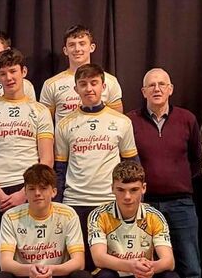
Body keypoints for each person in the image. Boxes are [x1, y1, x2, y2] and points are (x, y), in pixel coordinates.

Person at [126, 68, 202, 278]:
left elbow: (197, 161)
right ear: (143, 90)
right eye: (151, 85)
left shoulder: (187, 119)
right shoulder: (131, 121)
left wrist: (177, 181)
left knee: (191, 270)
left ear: (171, 89)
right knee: (146, 270)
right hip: (143, 207)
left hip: (182, 203)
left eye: (162, 84)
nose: (157, 89)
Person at [0, 48, 54, 271]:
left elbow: (46, 158)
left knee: (31, 251)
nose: (9, 78)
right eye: (3, 73)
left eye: (13, 71)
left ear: (23, 72)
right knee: (0, 257)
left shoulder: (39, 111)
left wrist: (24, 193)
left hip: (28, 189)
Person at [53, 63, 139, 249]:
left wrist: (135, 203)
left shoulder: (122, 122)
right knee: (81, 266)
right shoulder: (64, 125)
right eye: (83, 84)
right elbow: (60, 170)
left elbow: (132, 167)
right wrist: (58, 206)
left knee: (113, 265)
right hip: (75, 202)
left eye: (94, 83)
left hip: (110, 202)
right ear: (76, 89)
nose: (89, 88)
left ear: (104, 86)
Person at [40, 24, 124, 122]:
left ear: (92, 47)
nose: (77, 49)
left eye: (82, 43)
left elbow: (118, 121)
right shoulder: (51, 84)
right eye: (72, 45)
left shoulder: (110, 81)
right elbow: (45, 125)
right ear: (65, 50)